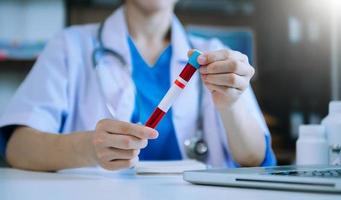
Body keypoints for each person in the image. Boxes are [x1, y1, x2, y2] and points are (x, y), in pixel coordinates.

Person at [0, 0, 276, 171]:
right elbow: (17, 148)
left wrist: (232, 105)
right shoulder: (70, 46)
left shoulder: (214, 54)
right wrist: (88, 147)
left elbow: (253, 158)